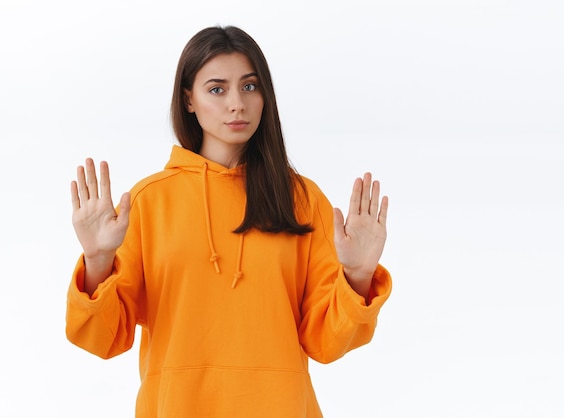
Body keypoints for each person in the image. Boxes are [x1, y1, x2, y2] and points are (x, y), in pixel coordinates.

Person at [66, 25, 391, 418]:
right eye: (217, 89)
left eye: (249, 87)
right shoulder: (149, 202)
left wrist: (358, 274)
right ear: (189, 99)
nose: (236, 103)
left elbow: (326, 342)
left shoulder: (302, 201)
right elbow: (102, 339)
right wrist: (98, 260)